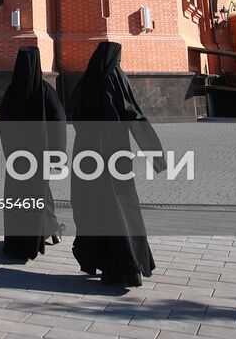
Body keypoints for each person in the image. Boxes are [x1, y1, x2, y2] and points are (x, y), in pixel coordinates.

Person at [68, 41, 164, 288]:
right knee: (121, 206)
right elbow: (131, 113)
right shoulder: (115, 76)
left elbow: (73, 111)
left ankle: (102, 260)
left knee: (93, 207)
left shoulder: (86, 80)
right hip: (113, 149)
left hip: (87, 152)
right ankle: (128, 267)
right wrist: (154, 152)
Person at [0, 46, 67, 260]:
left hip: (17, 157)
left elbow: (3, 122)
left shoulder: (11, 91)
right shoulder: (45, 90)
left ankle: (21, 239)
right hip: (39, 155)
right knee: (38, 193)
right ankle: (40, 235)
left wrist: (9, 150)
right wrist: (58, 153)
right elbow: (59, 120)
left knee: (18, 197)